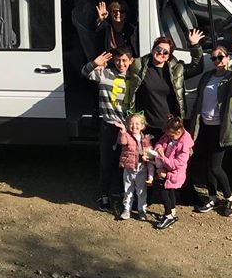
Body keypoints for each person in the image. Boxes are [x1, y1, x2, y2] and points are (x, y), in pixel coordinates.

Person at [189, 37, 232, 217]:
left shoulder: (231, 77)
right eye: (214, 58)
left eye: (221, 57)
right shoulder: (207, 76)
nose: (218, 61)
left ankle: (229, 199)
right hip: (205, 126)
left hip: (220, 128)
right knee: (208, 165)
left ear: (227, 58)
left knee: (216, 167)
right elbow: (199, 101)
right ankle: (212, 196)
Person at [125, 29, 205, 139]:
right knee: (146, 156)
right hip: (146, 127)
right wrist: (100, 65)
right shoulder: (139, 67)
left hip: (170, 128)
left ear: (169, 56)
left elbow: (197, 67)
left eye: (165, 52)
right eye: (158, 49)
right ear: (153, 49)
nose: (161, 53)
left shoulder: (176, 70)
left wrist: (195, 45)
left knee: (168, 156)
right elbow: (121, 64)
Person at [82, 46, 134, 212]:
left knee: (124, 162)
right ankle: (104, 194)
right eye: (118, 60)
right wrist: (94, 63)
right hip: (108, 125)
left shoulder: (134, 78)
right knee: (106, 161)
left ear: (131, 61)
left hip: (127, 128)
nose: (121, 64)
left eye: (125, 60)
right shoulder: (105, 73)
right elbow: (84, 73)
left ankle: (120, 193)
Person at [149, 115, 194, 230]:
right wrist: (158, 147)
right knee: (170, 192)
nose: (169, 136)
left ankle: (168, 215)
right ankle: (172, 212)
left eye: (171, 135)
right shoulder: (169, 136)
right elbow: (161, 141)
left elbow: (179, 163)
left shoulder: (184, 144)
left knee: (164, 191)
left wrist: (163, 159)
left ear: (178, 131)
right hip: (166, 168)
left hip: (174, 173)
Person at [114, 112, 154, 221]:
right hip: (129, 167)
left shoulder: (145, 138)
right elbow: (122, 142)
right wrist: (122, 131)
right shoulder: (126, 135)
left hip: (141, 168)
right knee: (128, 190)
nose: (134, 126)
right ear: (127, 125)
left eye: (137, 124)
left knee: (141, 191)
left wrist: (148, 155)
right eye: (131, 124)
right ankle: (127, 209)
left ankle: (142, 210)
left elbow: (148, 152)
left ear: (142, 126)